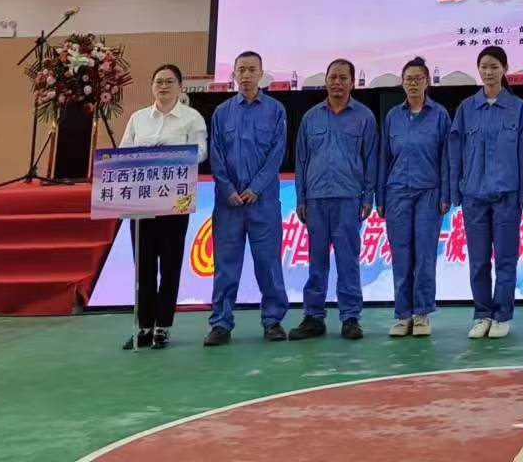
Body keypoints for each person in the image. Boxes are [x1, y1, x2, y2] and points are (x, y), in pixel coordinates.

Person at [119, 63, 207, 351]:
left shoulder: (192, 118)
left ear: (180, 87)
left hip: (174, 202)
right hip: (142, 202)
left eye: (170, 81)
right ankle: (143, 326)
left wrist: (168, 156)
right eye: (159, 81)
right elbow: (123, 152)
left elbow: (201, 152)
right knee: (143, 267)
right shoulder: (138, 118)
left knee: (169, 267)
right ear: (152, 86)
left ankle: (163, 326)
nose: (164, 86)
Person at [290, 58, 379, 341]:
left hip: (349, 199)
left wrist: (368, 196)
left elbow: (371, 159)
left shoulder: (364, 117)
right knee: (316, 261)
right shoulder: (311, 117)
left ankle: (350, 317)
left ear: (352, 82)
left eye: (343, 78)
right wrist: (301, 197)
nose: (337, 82)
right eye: (332, 77)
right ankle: (313, 317)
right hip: (316, 199)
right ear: (326, 80)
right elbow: (301, 160)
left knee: (347, 261)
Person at [205, 50, 290, 345]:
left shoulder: (276, 110)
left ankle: (273, 321)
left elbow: (277, 153)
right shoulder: (222, 112)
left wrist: (256, 187)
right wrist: (228, 189)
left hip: (262, 202)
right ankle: (221, 323)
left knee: (268, 264)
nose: (245, 75)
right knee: (225, 265)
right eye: (241, 69)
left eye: (251, 70)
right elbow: (216, 155)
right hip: (228, 204)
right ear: (234, 74)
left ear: (261, 74)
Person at [449, 45, 523, 339]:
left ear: (504, 70)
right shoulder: (466, 109)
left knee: (506, 259)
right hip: (474, 196)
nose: (488, 72)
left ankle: (502, 315)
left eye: (494, 67)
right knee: (479, 260)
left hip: (507, 196)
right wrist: (456, 190)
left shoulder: (518, 108)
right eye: (484, 67)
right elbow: (455, 152)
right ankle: (482, 314)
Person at [380, 56, 451, 338]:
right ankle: (402, 315)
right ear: (402, 83)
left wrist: (445, 193)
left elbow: (447, 158)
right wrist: (381, 197)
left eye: (418, 79)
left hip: (429, 193)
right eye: (408, 79)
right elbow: (384, 158)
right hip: (397, 192)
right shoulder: (392, 117)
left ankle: (421, 314)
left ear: (427, 82)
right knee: (401, 255)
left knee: (424, 255)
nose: (413, 84)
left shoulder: (440, 115)